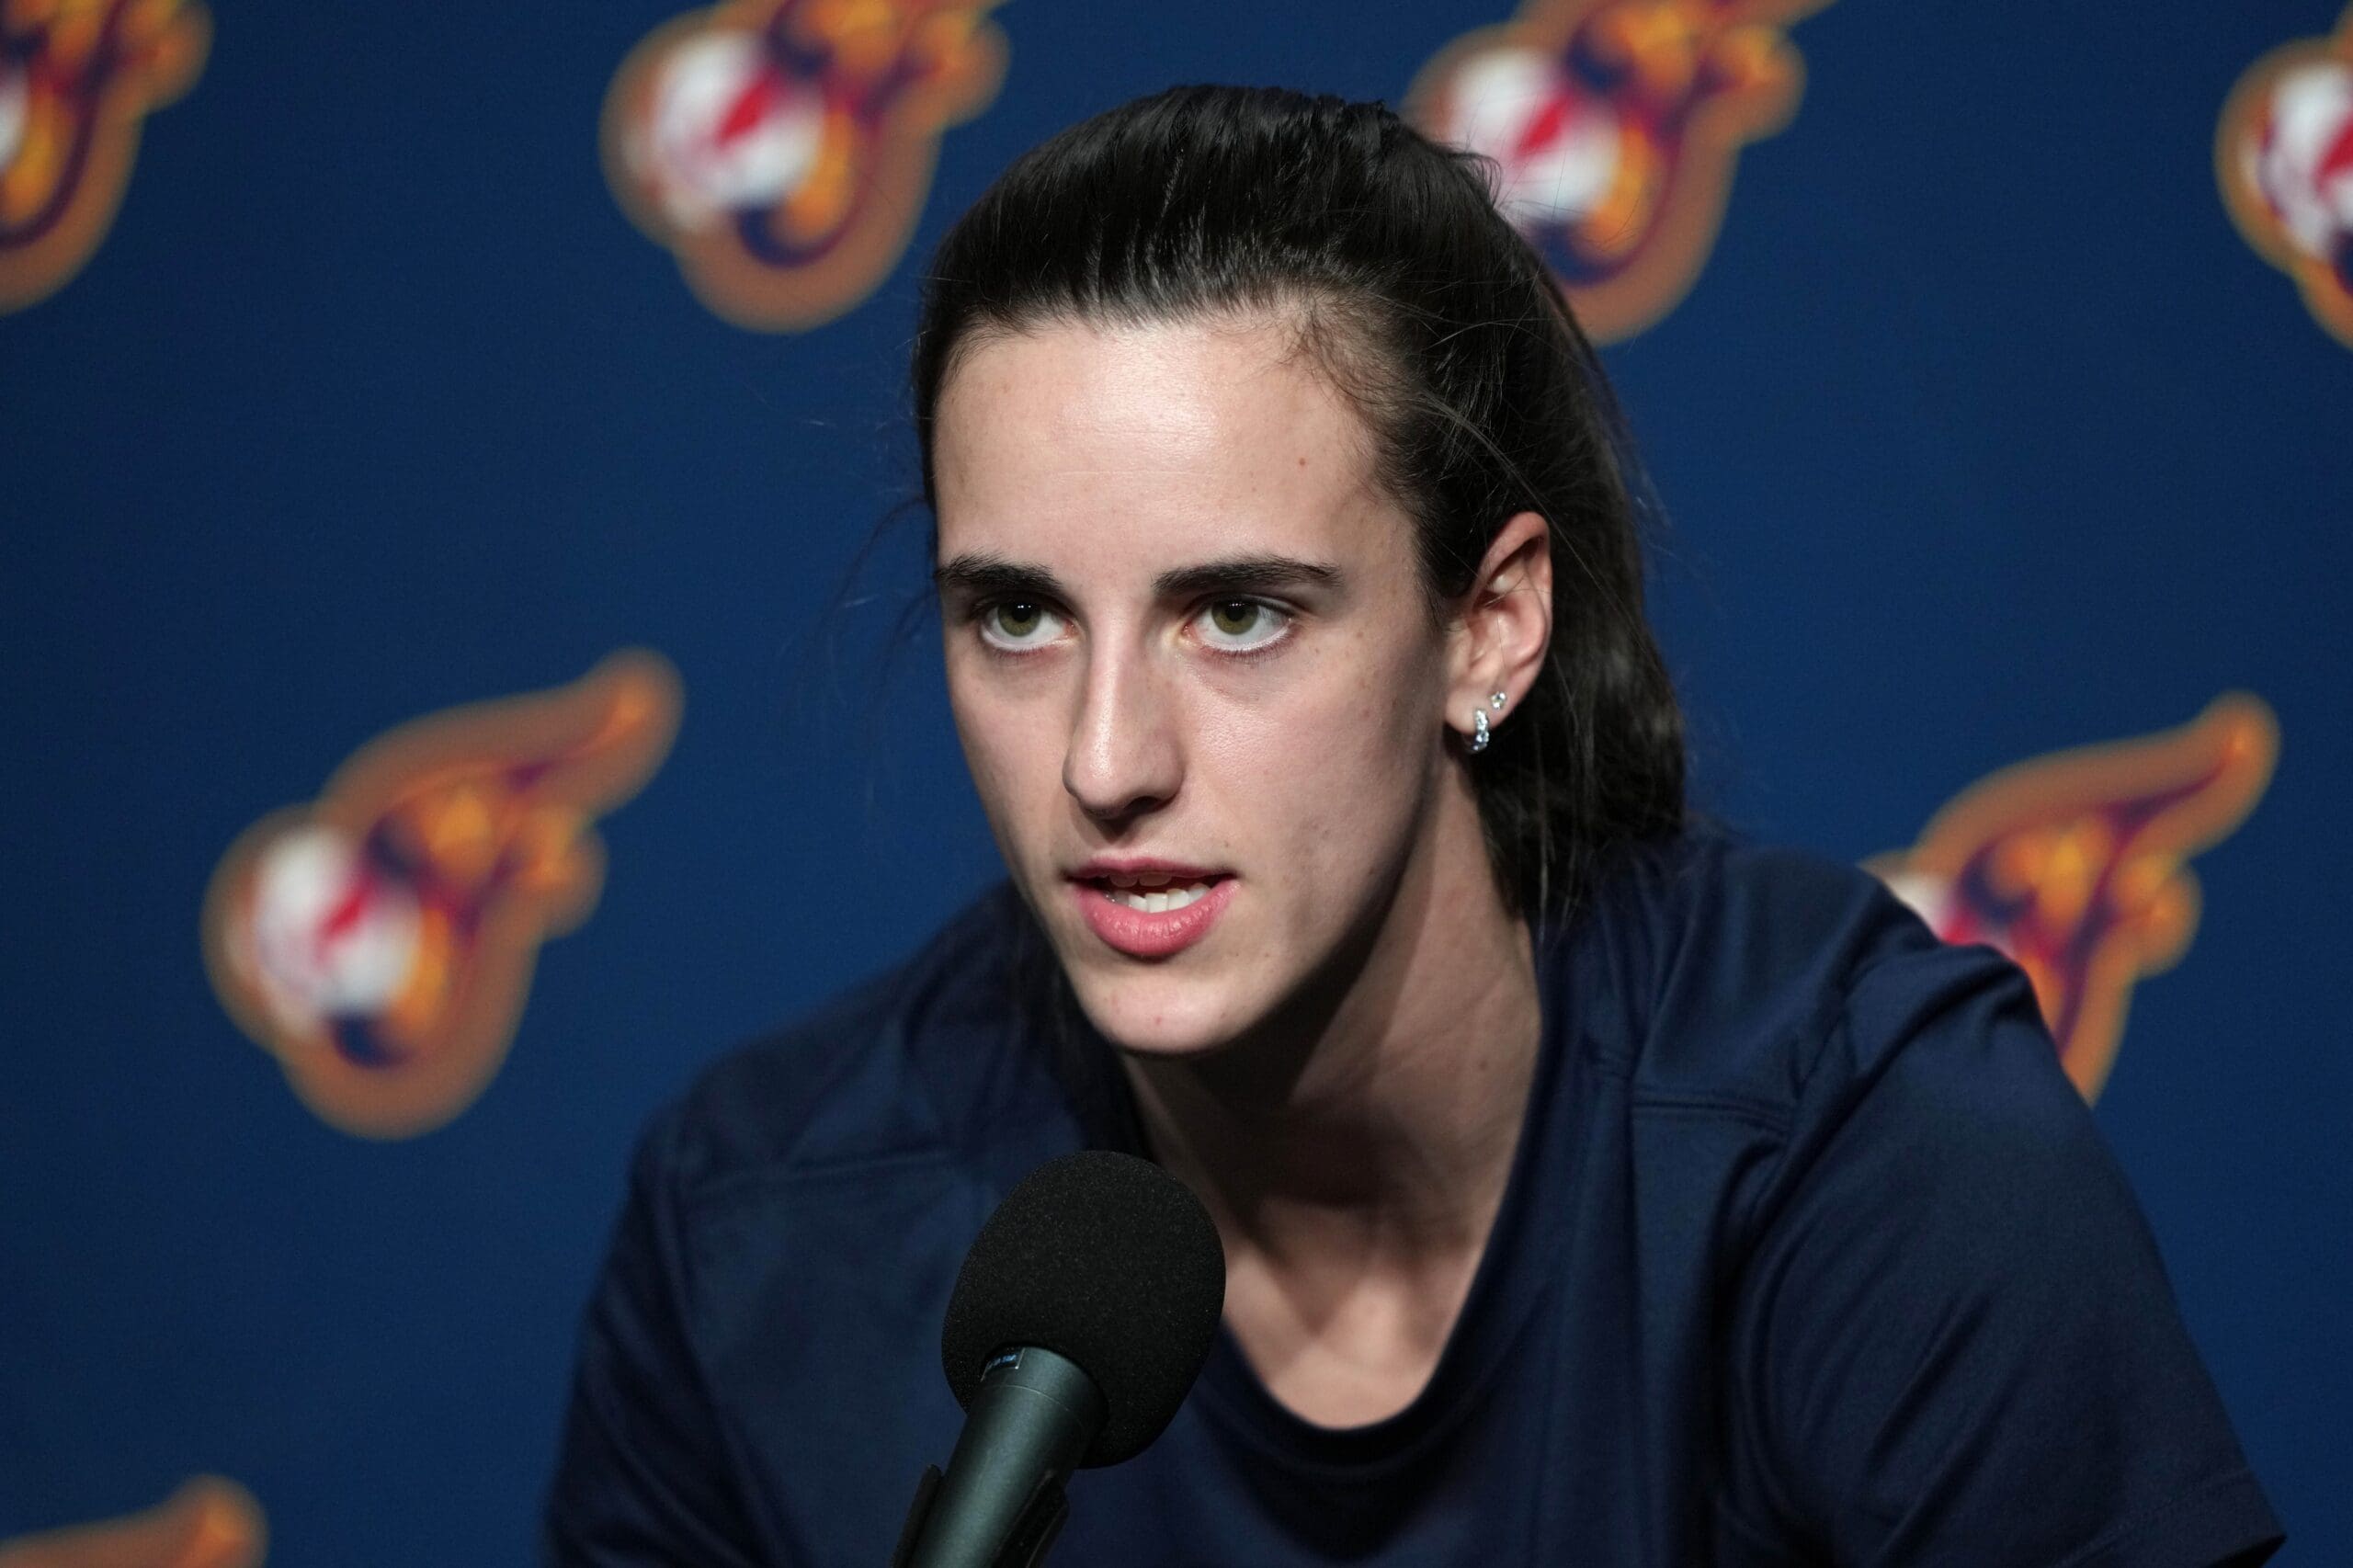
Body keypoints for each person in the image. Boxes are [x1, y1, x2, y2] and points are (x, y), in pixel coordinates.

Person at [543, 86, 2283, 1565]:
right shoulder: (761, 1237)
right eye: (1017, 615)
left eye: (1238, 613)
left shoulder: (1857, 1151)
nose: (1104, 758)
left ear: (1489, 626)